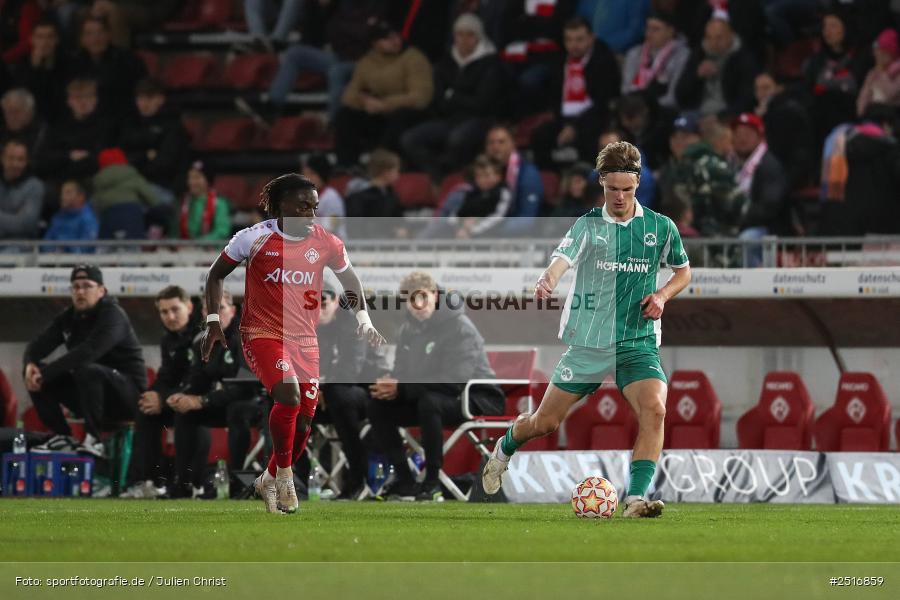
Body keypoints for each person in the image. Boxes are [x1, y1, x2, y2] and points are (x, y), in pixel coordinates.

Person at [481, 141, 692, 518]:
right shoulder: (588, 225)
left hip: (637, 340)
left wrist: (662, 295)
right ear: (602, 184)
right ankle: (506, 445)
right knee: (544, 423)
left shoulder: (661, 227)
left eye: (627, 189)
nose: (620, 197)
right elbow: (562, 259)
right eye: (613, 189)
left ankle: (635, 499)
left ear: (638, 184)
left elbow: (683, 271)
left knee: (655, 410)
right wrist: (548, 278)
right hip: (589, 343)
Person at [200, 173, 385, 514]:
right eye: (303, 206)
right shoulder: (253, 238)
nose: (310, 214)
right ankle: (285, 475)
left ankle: (267, 478)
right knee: (288, 395)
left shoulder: (326, 242)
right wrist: (213, 322)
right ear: (280, 205)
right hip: (262, 334)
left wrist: (364, 320)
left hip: (305, 339)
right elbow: (215, 275)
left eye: (314, 207)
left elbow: (350, 279)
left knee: (303, 422)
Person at [369, 271, 504, 502]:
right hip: (431, 396)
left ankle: (432, 482)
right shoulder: (407, 330)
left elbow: (454, 380)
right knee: (377, 405)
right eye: (411, 299)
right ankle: (406, 481)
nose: (418, 305)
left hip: (475, 397)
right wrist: (390, 384)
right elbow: (402, 372)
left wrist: (402, 389)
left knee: (429, 402)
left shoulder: (460, 327)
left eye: (422, 297)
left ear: (435, 294)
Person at [24, 264, 147, 458]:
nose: (80, 291)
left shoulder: (113, 314)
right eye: (76, 287)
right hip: (91, 398)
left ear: (101, 290)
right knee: (36, 374)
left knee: (85, 368)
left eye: (87, 286)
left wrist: (45, 374)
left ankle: (94, 440)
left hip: (128, 398)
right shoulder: (68, 317)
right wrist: (30, 365)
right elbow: (36, 346)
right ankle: (63, 437)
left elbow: (89, 351)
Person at [168, 291, 261, 498]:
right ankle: (185, 484)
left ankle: (236, 483)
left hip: (256, 401)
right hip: (224, 400)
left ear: (233, 311)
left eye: (220, 309)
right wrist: (183, 396)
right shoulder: (203, 340)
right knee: (185, 413)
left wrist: (203, 400)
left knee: (237, 411)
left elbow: (245, 386)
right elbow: (198, 378)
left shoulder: (246, 338)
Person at [400, 13, 504, 178]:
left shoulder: (491, 64)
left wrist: (453, 96)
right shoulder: (446, 62)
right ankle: (436, 174)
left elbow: (482, 103)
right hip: (449, 119)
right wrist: (458, 98)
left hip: (480, 121)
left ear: (478, 37)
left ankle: (453, 174)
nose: (464, 39)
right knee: (410, 139)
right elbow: (440, 100)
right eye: (459, 34)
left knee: (457, 139)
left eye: (469, 34)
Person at [121, 285, 201, 499]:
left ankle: (188, 482)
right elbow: (166, 376)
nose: (170, 316)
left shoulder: (203, 334)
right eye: (164, 312)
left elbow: (197, 378)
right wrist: (154, 395)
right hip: (175, 398)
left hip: (202, 399)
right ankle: (151, 482)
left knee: (186, 411)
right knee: (145, 412)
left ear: (189, 307)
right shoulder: (169, 340)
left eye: (175, 309)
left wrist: (163, 399)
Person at [333, 20, 433, 166]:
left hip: (410, 114)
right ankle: (346, 166)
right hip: (380, 114)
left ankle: (382, 166)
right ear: (375, 43)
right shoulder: (367, 62)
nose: (394, 41)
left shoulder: (414, 57)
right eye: (387, 38)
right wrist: (365, 101)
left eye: (396, 36)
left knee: (401, 116)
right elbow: (349, 96)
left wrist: (385, 104)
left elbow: (421, 97)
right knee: (345, 115)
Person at [531, 16, 620, 170]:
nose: (574, 45)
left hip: (593, 118)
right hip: (564, 118)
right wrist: (565, 123)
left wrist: (575, 126)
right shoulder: (560, 60)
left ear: (591, 38)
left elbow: (603, 101)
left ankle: (587, 174)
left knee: (590, 136)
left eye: (579, 39)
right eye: (569, 40)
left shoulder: (603, 60)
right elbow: (553, 95)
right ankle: (551, 177)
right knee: (540, 136)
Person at [313, 287, 368, 500]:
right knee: (279, 401)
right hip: (318, 397)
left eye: (323, 302)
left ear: (336, 301)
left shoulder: (353, 327)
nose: (319, 308)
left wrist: (322, 389)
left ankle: (356, 480)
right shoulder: (300, 329)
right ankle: (291, 481)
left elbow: (351, 371)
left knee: (339, 395)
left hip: (360, 394)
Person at [119, 78, 190, 205]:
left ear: (161, 99)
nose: (144, 103)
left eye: (149, 98)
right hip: (134, 184)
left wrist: (136, 160)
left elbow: (164, 164)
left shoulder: (173, 127)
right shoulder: (131, 124)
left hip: (165, 188)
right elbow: (122, 159)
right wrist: (146, 155)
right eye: (140, 98)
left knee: (127, 203)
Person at [674, 16, 759, 116]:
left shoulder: (744, 58)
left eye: (719, 37)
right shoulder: (699, 55)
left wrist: (721, 117)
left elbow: (747, 99)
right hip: (696, 112)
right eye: (709, 37)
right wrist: (696, 75)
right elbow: (679, 95)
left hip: (727, 115)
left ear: (731, 35)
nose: (714, 43)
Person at [731, 112, 790, 242]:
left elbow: (769, 207)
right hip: (744, 223)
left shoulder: (769, 165)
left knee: (747, 239)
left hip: (768, 229)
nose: (742, 139)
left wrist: (739, 219)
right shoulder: (732, 164)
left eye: (747, 134)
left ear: (760, 137)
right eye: (738, 134)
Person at [621, 11, 690, 109]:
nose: (649, 33)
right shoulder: (635, 53)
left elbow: (673, 96)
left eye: (655, 29)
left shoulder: (681, 55)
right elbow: (626, 90)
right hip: (634, 108)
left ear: (670, 32)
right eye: (648, 28)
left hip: (663, 109)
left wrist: (647, 107)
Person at [483, 124, 544, 235]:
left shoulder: (527, 174)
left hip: (521, 242)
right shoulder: (480, 174)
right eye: (491, 142)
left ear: (513, 144)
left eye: (501, 142)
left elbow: (526, 220)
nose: (495, 147)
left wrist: (485, 229)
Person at [448, 154, 512, 238]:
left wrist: (473, 230)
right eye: (479, 176)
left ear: (498, 176)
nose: (482, 180)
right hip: (464, 234)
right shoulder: (472, 193)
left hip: (491, 236)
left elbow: (498, 217)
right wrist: (460, 227)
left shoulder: (502, 193)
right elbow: (456, 215)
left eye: (486, 175)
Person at [174, 161, 231, 241]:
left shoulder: (219, 203)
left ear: (207, 180)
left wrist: (196, 244)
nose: (191, 182)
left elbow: (222, 232)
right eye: (190, 178)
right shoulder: (184, 202)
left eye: (196, 178)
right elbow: (175, 233)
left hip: (210, 251)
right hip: (185, 251)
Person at [0, 137, 43, 240]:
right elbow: (18, 222)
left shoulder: (35, 186)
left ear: (26, 162)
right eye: (11, 158)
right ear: (2, 158)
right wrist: (14, 218)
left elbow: (26, 224)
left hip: (21, 247)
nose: (15, 164)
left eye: (20, 159)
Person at [42, 179, 98, 252]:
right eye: (62, 193)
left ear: (80, 196)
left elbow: (87, 246)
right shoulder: (58, 217)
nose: (62, 197)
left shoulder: (88, 218)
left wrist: (66, 250)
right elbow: (46, 242)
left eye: (68, 193)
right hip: (55, 260)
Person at [857, 28, 900, 116]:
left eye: (883, 52)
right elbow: (863, 96)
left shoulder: (897, 72)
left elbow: (889, 94)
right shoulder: (873, 72)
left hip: (891, 116)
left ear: (892, 53)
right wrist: (861, 113)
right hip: (871, 116)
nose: (878, 55)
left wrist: (882, 73)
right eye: (877, 51)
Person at [301, 153, 345, 239]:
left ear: (321, 175)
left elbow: (332, 227)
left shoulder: (331, 197)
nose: (306, 178)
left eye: (311, 174)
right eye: (304, 174)